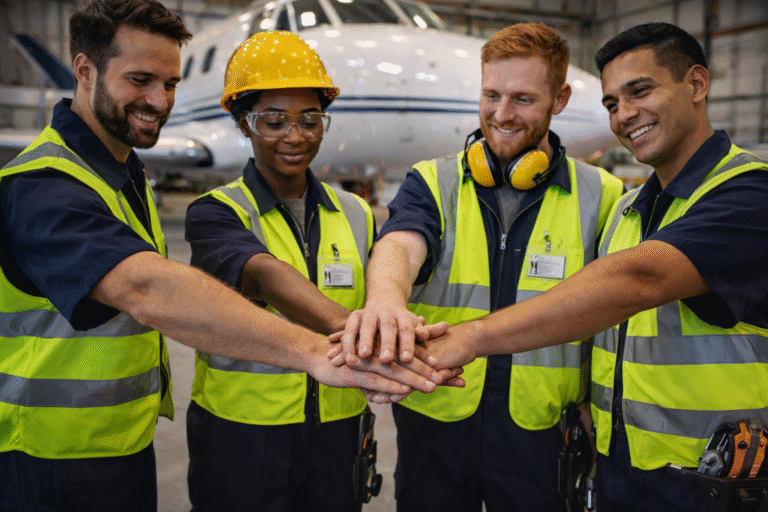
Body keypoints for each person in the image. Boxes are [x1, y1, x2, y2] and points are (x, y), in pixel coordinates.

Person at [0, 2, 447, 510]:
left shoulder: (125, 177)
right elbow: (146, 288)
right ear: (84, 72)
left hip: (118, 440)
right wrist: (323, 350)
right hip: (45, 454)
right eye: (141, 79)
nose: (160, 100)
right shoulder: (45, 184)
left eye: (170, 84)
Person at [409, 22, 768, 512]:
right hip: (618, 470)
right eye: (612, 103)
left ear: (697, 84)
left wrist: (469, 339)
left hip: (710, 476)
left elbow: (639, 281)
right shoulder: (629, 210)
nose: (625, 115)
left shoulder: (749, 192)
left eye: (640, 91)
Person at [337, 22, 624, 511]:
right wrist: (385, 299)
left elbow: (612, 309)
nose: (502, 114)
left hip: (543, 429)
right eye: (491, 94)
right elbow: (401, 243)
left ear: (560, 99)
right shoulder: (434, 180)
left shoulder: (602, 195)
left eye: (523, 99)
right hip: (438, 422)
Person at [183, 31, 457, 511]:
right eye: (274, 121)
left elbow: (385, 289)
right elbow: (264, 275)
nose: (296, 136)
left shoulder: (355, 213)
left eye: (311, 120)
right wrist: (359, 331)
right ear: (243, 124)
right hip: (242, 435)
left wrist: (396, 329)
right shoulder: (217, 212)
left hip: (338, 432)